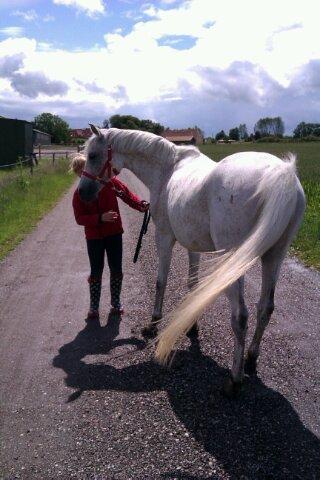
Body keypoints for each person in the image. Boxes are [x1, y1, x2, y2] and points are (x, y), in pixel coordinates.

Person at [70, 154, 149, 321]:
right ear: (78, 174)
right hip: (94, 238)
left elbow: (127, 195)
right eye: (82, 171)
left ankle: (115, 303)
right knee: (96, 271)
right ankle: (94, 307)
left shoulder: (110, 182)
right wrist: (100, 218)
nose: (86, 173)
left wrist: (140, 205)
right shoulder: (80, 194)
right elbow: (79, 219)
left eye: (88, 168)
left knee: (116, 269)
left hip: (113, 233)